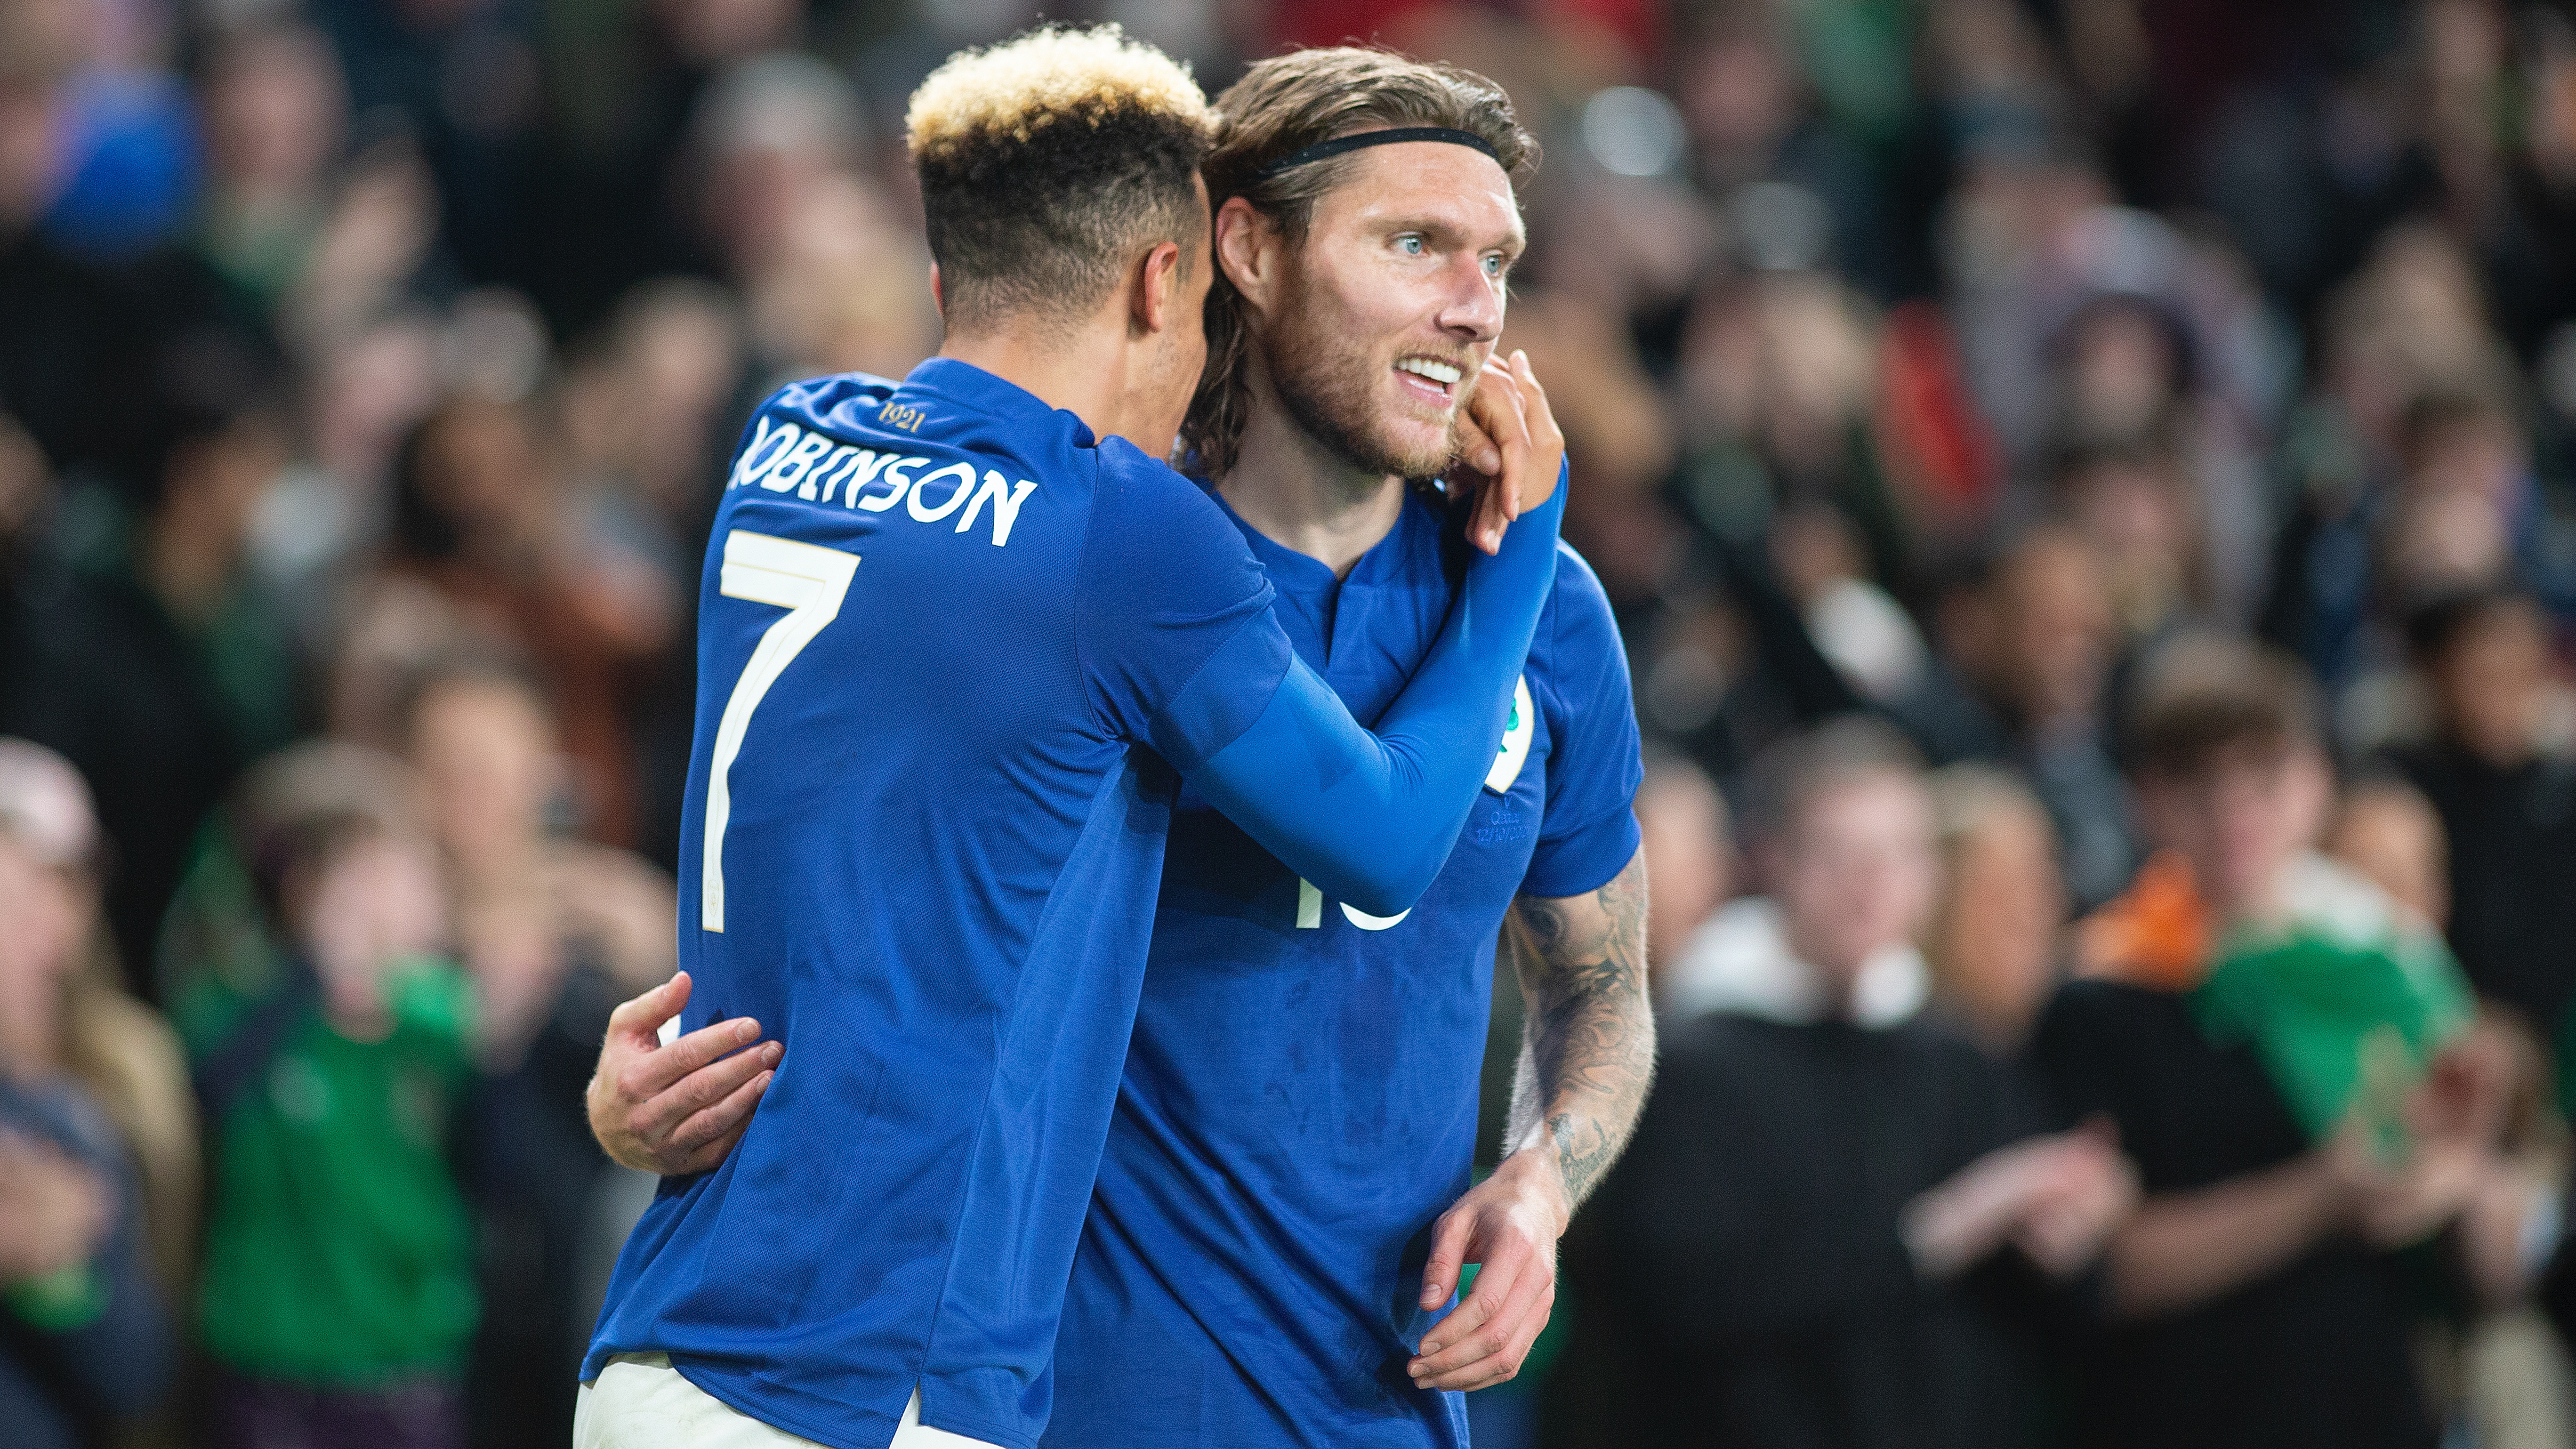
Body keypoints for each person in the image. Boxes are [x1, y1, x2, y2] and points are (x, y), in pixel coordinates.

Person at [595, 45, 1654, 1449]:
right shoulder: (1088, 552)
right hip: (1047, 1399)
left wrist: (1543, 1179)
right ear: (1238, 254)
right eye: (1415, 245)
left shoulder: (1555, 620)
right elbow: (842, 848)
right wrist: (645, 1087)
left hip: (1385, 1409)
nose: (1477, 312)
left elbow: (1603, 986)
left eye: (1498, 261)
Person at [1554, 718, 2132, 1449]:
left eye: (1895, 855)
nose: (1869, 886)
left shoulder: (1963, 1060)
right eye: (1837, 854)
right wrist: (1939, 1229)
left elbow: (2054, 1312)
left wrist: (2070, 1235)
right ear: (1773, 862)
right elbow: (1677, 1296)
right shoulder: (1686, 1067)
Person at [2038, 638, 2549, 1449]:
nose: (2235, 815)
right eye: (2199, 785)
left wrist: (2461, 1154)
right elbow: (2107, 1271)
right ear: (2149, 800)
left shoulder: (2389, 971)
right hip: (2190, 1409)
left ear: (2316, 786)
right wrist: (2319, 1197)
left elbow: (2493, 1271)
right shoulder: (2104, 991)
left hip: (2369, 1401)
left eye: (2264, 779)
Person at [175, 747, 477, 1449]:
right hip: (273, 1378)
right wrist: (311, 970)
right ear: (300, 886)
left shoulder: (439, 1023)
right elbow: (207, 1094)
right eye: (362, 873)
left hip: (409, 1372)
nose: (392, 898)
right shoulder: (241, 1013)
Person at [0, 746, 176, 1449]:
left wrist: (63, 1267)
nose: (39, 928)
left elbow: (139, 1372)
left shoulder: (92, 1099)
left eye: (59, 892)